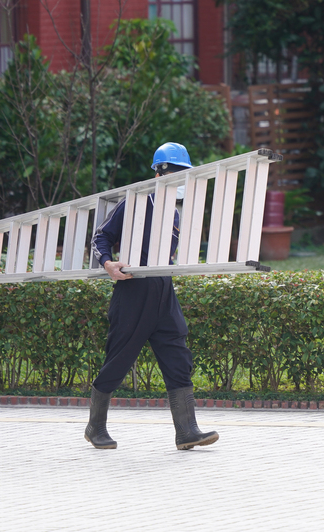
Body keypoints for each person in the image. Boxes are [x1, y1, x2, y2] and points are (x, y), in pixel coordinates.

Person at [84, 142, 219, 451]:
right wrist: (108, 264)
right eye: (175, 172)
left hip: (163, 290)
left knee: (178, 355)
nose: (180, 180)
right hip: (133, 289)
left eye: (184, 174)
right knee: (118, 360)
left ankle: (187, 431)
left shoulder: (175, 214)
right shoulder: (134, 203)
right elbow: (101, 236)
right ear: (159, 173)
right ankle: (95, 426)